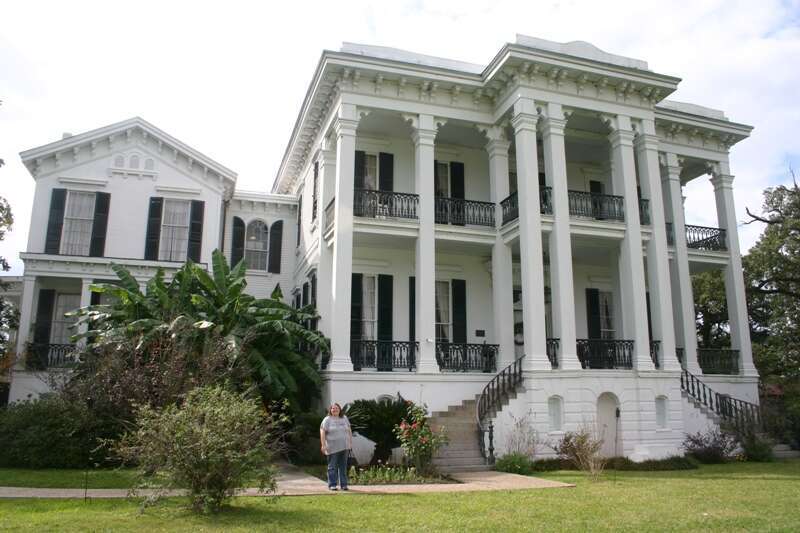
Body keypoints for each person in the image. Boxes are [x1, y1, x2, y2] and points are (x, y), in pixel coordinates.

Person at [320, 403, 353, 491]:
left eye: (336, 408)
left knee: (343, 466)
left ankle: (344, 485)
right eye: (333, 408)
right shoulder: (327, 419)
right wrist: (323, 445)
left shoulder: (344, 418)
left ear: (340, 409)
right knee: (332, 466)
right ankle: (332, 485)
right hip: (332, 447)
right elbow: (322, 432)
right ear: (330, 410)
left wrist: (350, 442)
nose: (335, 410)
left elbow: (349, 430)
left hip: (345, 447)